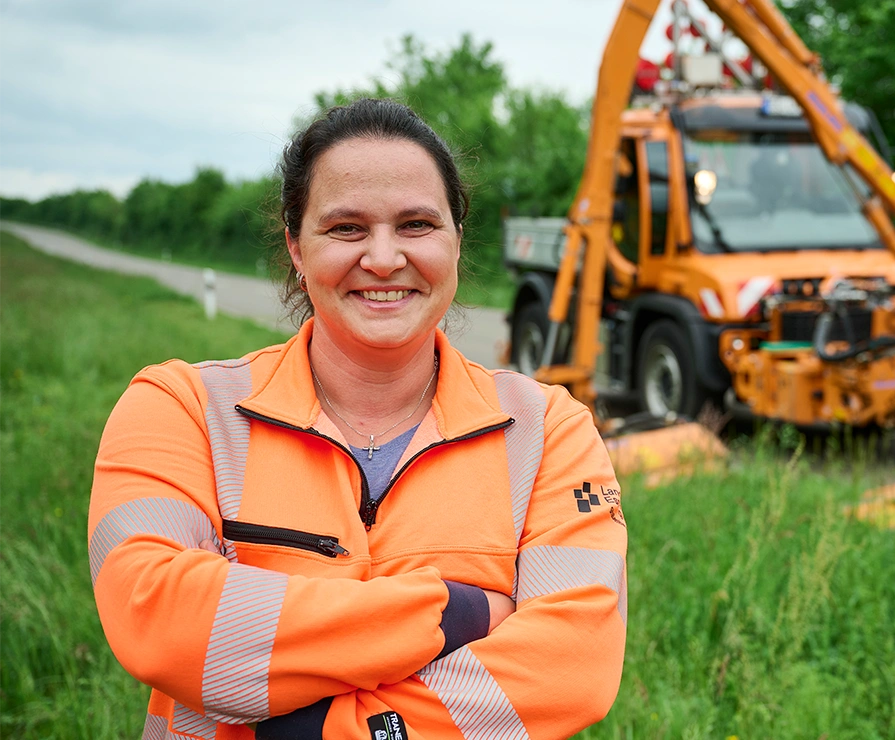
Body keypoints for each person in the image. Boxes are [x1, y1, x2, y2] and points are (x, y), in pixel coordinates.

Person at [88, 98, 627, 740]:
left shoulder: (550, 431)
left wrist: (313, 726)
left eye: (416, 225)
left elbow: (573, 667)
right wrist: (458, 612)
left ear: (457, 240)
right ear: (295, 245)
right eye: (346, 228)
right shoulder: (181, 408)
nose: (382, 258)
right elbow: (157, 618)